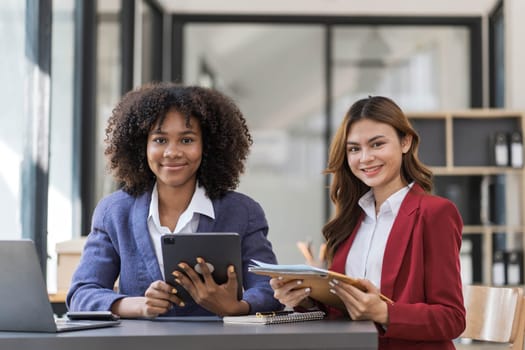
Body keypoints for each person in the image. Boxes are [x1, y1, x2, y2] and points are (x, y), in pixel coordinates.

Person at [66, 82, 282, 318]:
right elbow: (82, 294)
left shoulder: (242, 212)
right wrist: (138, 306)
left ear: (207, 146)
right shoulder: (115, 211)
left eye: (187, 140)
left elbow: (270, 291)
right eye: (160, 140)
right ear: (142, 146)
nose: (172, 152)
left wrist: (236, 307)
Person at [270, 96, 465, 349]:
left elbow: (452, 319)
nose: (365, 158)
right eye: (354, 149)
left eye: (377, 144)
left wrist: (384, 313)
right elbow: (343, 313)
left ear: (405, 142)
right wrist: (305, 298)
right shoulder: (351, 218)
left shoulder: (435, 213)